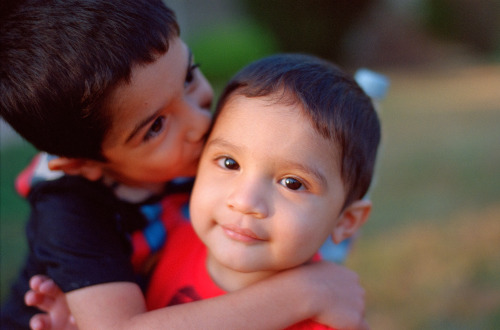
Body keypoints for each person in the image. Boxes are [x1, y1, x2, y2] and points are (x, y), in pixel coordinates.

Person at [0, 1, 366, 329]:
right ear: (84, 164)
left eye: (189, 77)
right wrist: (305, 292)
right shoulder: (70, 211)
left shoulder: (190, 155)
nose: (199, 123)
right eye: (156, 126)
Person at [146, 53, 381, 329]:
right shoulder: (172, 240)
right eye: (229, 163)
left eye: (292, 183)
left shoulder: (324, 321)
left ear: (345, 221)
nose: (245, 201)